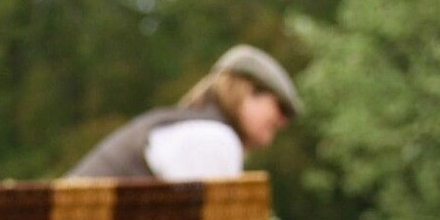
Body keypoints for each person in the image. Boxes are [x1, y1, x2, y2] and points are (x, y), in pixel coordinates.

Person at [67, 43, 301, 181]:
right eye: (281, 108)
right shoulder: (211, 139)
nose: (282, 122)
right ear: (248, 92)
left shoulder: (188, 129)